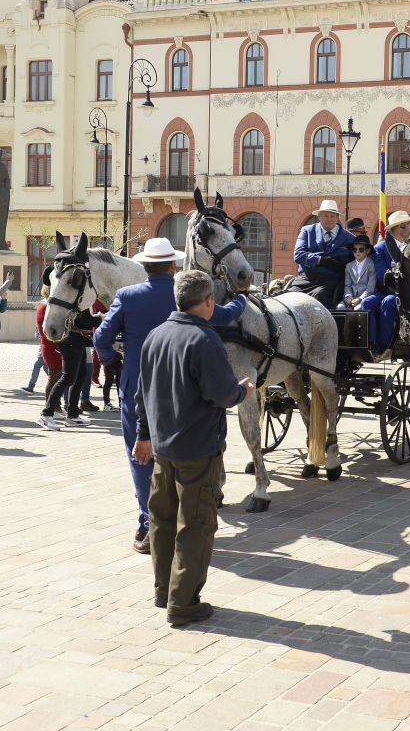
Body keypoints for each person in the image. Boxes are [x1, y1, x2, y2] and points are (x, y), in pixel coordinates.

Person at [94, 237, 247, 554]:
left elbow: (101, 338)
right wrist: (243, 301)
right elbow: (221, 315)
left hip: (137, 388)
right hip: (183, 390)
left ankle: (148, 522)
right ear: (173, 267)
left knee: (141, 457)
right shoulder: (182, 296)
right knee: (182, 456)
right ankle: (182, 517)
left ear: (145, 266)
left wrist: (113, 362)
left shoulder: (127, 296)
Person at [134, 270, 254, 627]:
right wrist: (243, 391)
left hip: (164, 448)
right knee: (196, 525)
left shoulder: (156, 335)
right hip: (198, 448)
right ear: (208, 301)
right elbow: (222, 393)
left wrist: (143, 435)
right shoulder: (205, 339)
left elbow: (141, 393)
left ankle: (164, 591)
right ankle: (183, 603)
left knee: (163, 521)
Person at [363, 210, 410, 354]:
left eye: (409, 225)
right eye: (405, 225)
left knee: (389, 302)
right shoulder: (380, 248)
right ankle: (371, 344)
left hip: (406, 293)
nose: (409, 229)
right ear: (396, 228)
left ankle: (383, 346)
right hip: (384, 290)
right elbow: (382, 275)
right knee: (366, 303)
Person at [39, 304, 98, 430]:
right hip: (70, 342)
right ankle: (46, 414)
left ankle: (72, 415)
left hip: (77, 341)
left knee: (81, 375)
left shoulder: (80, 299)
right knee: (67, 378)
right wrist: (102, 318)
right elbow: (86, 321)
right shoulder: (79, 300)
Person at [290, 199, 355, 309]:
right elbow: (298, 255)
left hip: (331, 280)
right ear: (319, 216)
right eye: (325, 215)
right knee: (288, 297)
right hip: (306, 279)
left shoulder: (349, 238)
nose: (329, 219)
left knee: (318, 297)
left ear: (337, 218)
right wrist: (320, 260)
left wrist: (342, 267)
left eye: (332, 216)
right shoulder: (307, 231)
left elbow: (356, 260)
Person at [338, 234, 376, 310]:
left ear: (367, 251)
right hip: (352, 297)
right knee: (340, 307)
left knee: (357, 309)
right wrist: (348, 296)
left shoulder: (371, 265)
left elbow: (370, 288)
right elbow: (347, 285)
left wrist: (360, 298)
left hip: (365, 297)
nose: (357, 252)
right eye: (354, 250)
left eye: (361, 249)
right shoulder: (349, 266)